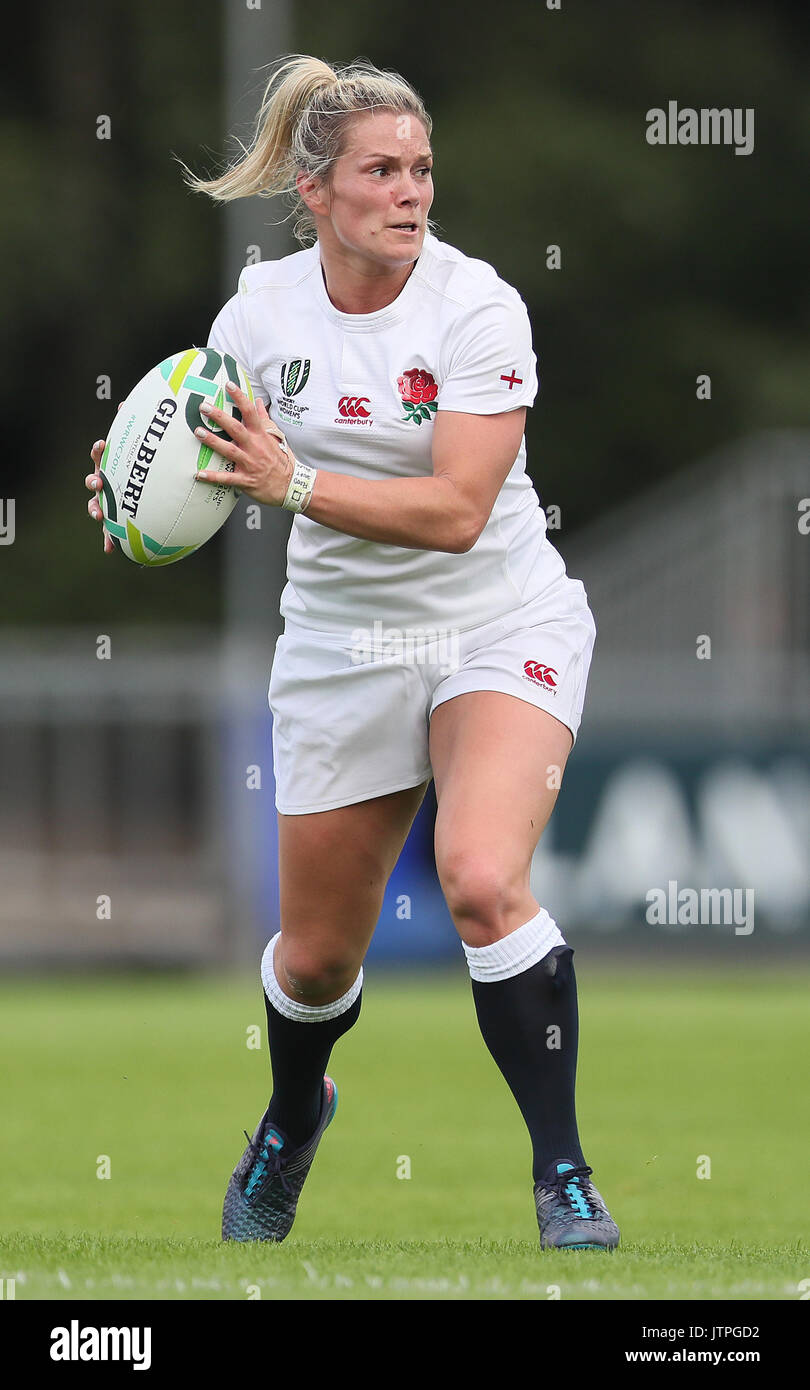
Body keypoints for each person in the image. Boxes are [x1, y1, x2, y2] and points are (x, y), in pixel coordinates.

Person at [86, 53, 619, 1251]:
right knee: (318, 960)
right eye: (381, 171)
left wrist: (298, 478)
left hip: (498, 616)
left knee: (483, 879)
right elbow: (207, 460)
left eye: (422, 169)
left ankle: (565, 1174)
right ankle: (291, 1115)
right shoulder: (257, 314)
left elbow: (459, 511)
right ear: (316, 192)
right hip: (342, 639)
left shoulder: (477, 305)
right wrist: (133, 494)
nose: (410, 191)